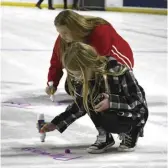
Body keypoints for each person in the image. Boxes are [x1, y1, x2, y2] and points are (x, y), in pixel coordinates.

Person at [41, 42, 148, 154]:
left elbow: (138, 102)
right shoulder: (85, 80)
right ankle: (105, 135)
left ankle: (131, 132)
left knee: (101, 101)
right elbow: (79, 107)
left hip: (133, 116)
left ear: (88, 65)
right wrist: (56, 124)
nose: (77, 78)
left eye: (78, 74)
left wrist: (112, 102)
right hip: (111, 115)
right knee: (89, 99)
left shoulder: (118, 72)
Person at [46, 10, 134, 96]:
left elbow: (102, 62)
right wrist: (52, 83)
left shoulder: (101, 31)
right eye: (59, 33)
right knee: (72, 88)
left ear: (75, 29)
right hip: (93, 66)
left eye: (65, 33)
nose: (61, 36)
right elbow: (56, 61)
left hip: (116, 63)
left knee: (106, 88)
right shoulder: (63, 38)